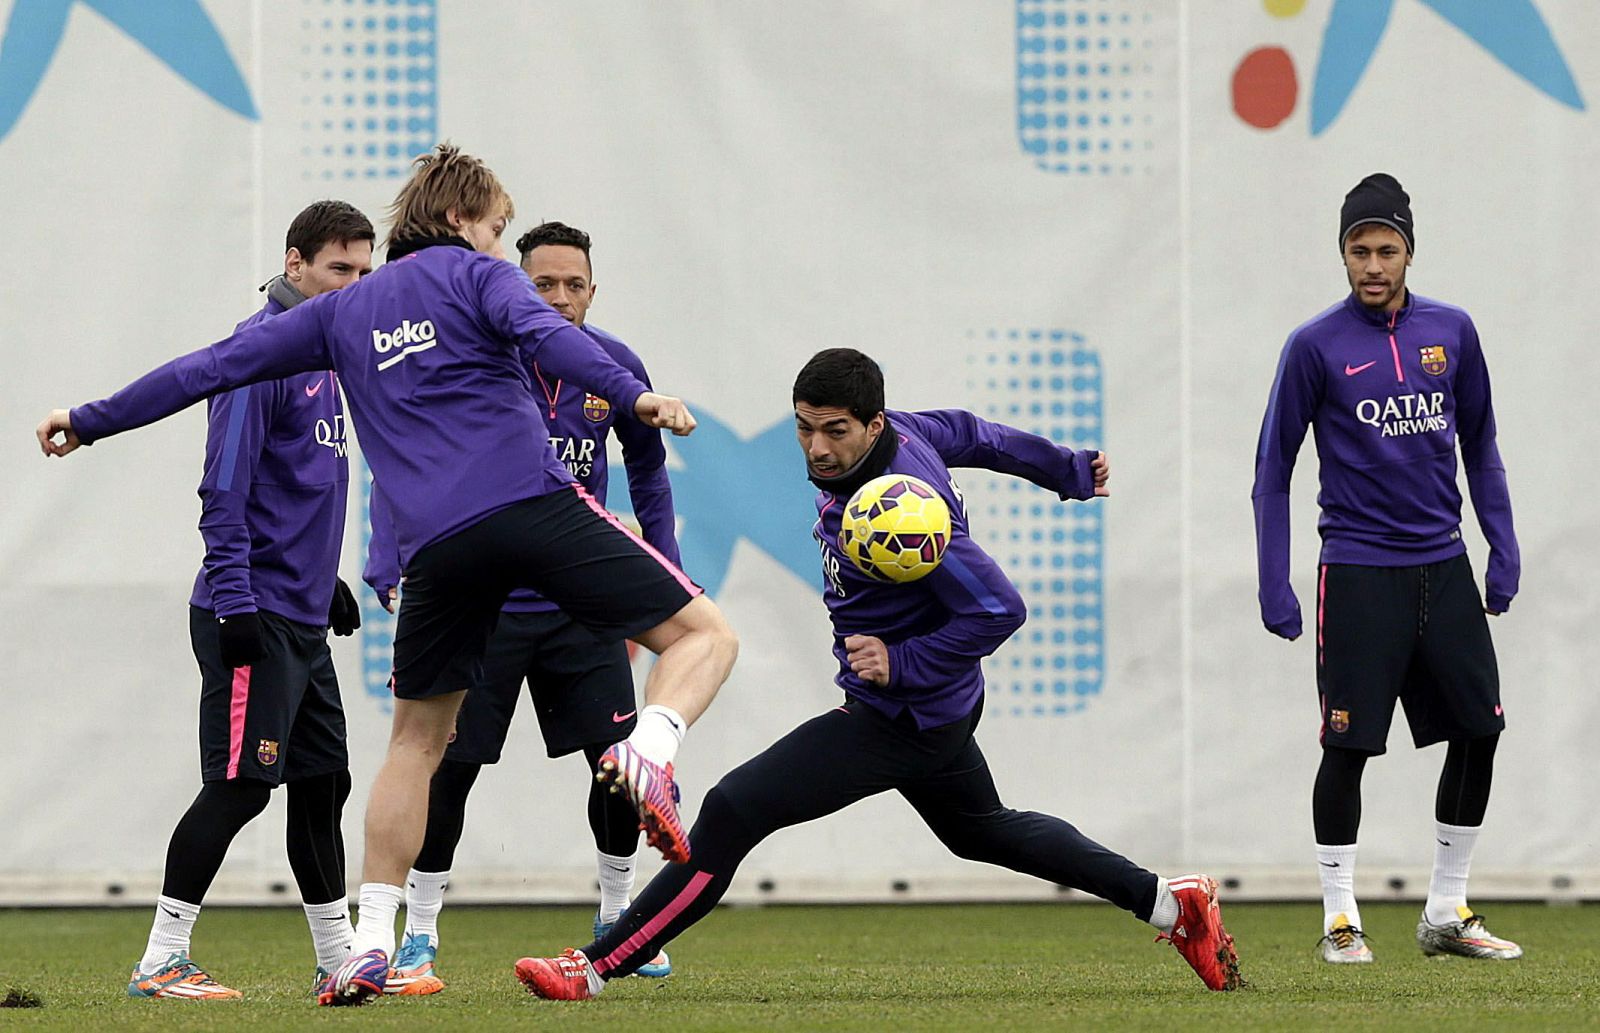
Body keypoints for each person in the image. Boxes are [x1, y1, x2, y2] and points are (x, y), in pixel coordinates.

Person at [36, 143, 740, 1007]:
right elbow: (554, 339)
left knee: (416, 744)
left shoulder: (341, 313)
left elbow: (207, 368)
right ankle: (648, 753)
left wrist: (92, 419)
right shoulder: (480, 278)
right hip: (528, 505)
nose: (497, 244)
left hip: (437, 549)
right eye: (494, 228)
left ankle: (372, 943)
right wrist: (634, 398)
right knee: (707, 632)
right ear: (458, 221)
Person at [513, 348, 1243, 999]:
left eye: (835, 431)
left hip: (901, 714)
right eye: (805, 427)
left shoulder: (902, 503)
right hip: (939, 708)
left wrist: (901, 661)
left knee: (736, 807)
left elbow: (1000, 608)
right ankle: (1175, 905)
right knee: (985, 830)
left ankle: (595, 967)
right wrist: (1064, 469)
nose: (817, 447)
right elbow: (976, 432)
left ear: (871, 425)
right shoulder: (904, 432)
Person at [368, 221, 676, 992]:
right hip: (489, 603)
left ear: (593, 291)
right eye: (545, 284)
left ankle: (617, 918)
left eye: (575, 284)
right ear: (516, 288)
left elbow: (648, 470)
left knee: (614, 768)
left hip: (580, 606)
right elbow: (400, 456)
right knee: (450, 768)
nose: (561, 298)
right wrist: (386, 557)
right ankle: (421, 932)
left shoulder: (613, 366)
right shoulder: (476, 358)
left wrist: (663, 566)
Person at [1252, 173, 1521, 964]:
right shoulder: (1314, 346)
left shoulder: (1453, 331)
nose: (1373, 264)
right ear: (1342, 254)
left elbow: (1482, 446)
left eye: (1387, 249)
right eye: (1359, 249)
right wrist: (1278, 576)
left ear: (1409, 251)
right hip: (1360, 572)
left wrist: (1501, 547)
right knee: (1348, 747)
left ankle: (1446, 908)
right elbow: (1274, 467)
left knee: (1481, 731)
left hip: (1444, 565)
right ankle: (1341, 916)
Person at [125, 200, 377, 1001]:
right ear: (295, 264)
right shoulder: (258, 355)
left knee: (324, 781)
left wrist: (322, 577)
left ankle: (337, 959)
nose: (353, 285)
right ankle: (161, 958)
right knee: (241, 783)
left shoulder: (326, 357)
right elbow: (224, 490)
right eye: (340, 268)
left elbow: (295, 487)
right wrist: (236, 601)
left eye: (365, 272)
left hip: (299, 613)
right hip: (253, 612)